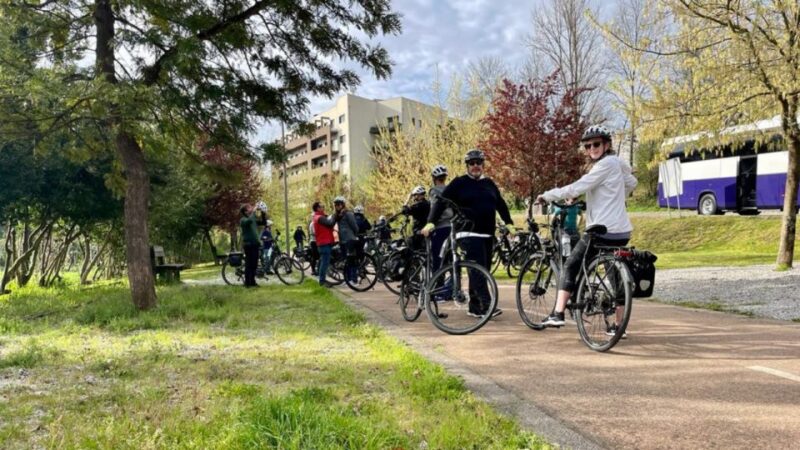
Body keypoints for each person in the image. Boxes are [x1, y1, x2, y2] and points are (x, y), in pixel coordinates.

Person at [537, 125, 637, 336]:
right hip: (621, 231)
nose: (592, 148)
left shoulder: (605, 164)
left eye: (596, 144)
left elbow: (578, 186)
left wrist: (548, 195)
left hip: (601, 230)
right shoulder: (617, 164)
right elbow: (632, 182)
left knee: (571, 264)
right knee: (614, 274)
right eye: (588, 145)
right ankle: (619, 327)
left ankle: (558, 313)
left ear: (606, 145)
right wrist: (613, 196)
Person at [422, 149, 514, 318]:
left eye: (478, 162)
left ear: (483, 165)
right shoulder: (459, 183)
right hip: (468, 233)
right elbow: (441, 203)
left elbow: (500, 204)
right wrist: (431, 222)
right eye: (472, 163)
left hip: (487, 234)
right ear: (467, 166)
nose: (475, 166)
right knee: (478, 269)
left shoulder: (489, 184)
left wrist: (509, 223)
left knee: (482, 270)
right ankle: (487, 305)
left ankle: (474, 306)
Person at [428, 165, 453, 278]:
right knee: (451, 258)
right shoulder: (450, 190)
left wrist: (429, 223)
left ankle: (437, 287)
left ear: (434, 178)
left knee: (437, 259)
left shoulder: (434, 191)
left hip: (439, 227)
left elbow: (434, 209)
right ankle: (454, 286)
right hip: (452, 228)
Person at [333, 196, 360, 283]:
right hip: (342, 241)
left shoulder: (348, 214)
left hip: (349, 239)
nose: (337, 206)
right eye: (336, 204)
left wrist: (354, 235)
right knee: (346, 261)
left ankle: (354, 279)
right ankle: (347, 279)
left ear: (343, 205)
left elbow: (355, 227)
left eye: (339, 204)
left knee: (351, 260)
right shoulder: (337, 216)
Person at [312, 201, 336, 286]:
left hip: (324, 242)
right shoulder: (319, 217)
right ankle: (322, 281)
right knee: (325, 262)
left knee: (323, 261)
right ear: (317, 208)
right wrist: (334, 215)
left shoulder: (319, 217)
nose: (323, 208)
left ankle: (322, 280)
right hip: (324, 243)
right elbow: (330, 224)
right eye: (322, 206)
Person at [240, 203, 262, 287]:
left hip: (255, 244)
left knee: (254, 264)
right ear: (245, 212)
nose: (251, 208)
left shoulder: (252, 218)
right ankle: (247, 283)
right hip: (248, 244)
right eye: (249, 208)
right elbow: (248, 221)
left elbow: (262, 222)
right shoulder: (243, 220)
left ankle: (253, 282)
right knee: (249, 264)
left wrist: (262, 212)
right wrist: (253, 211)